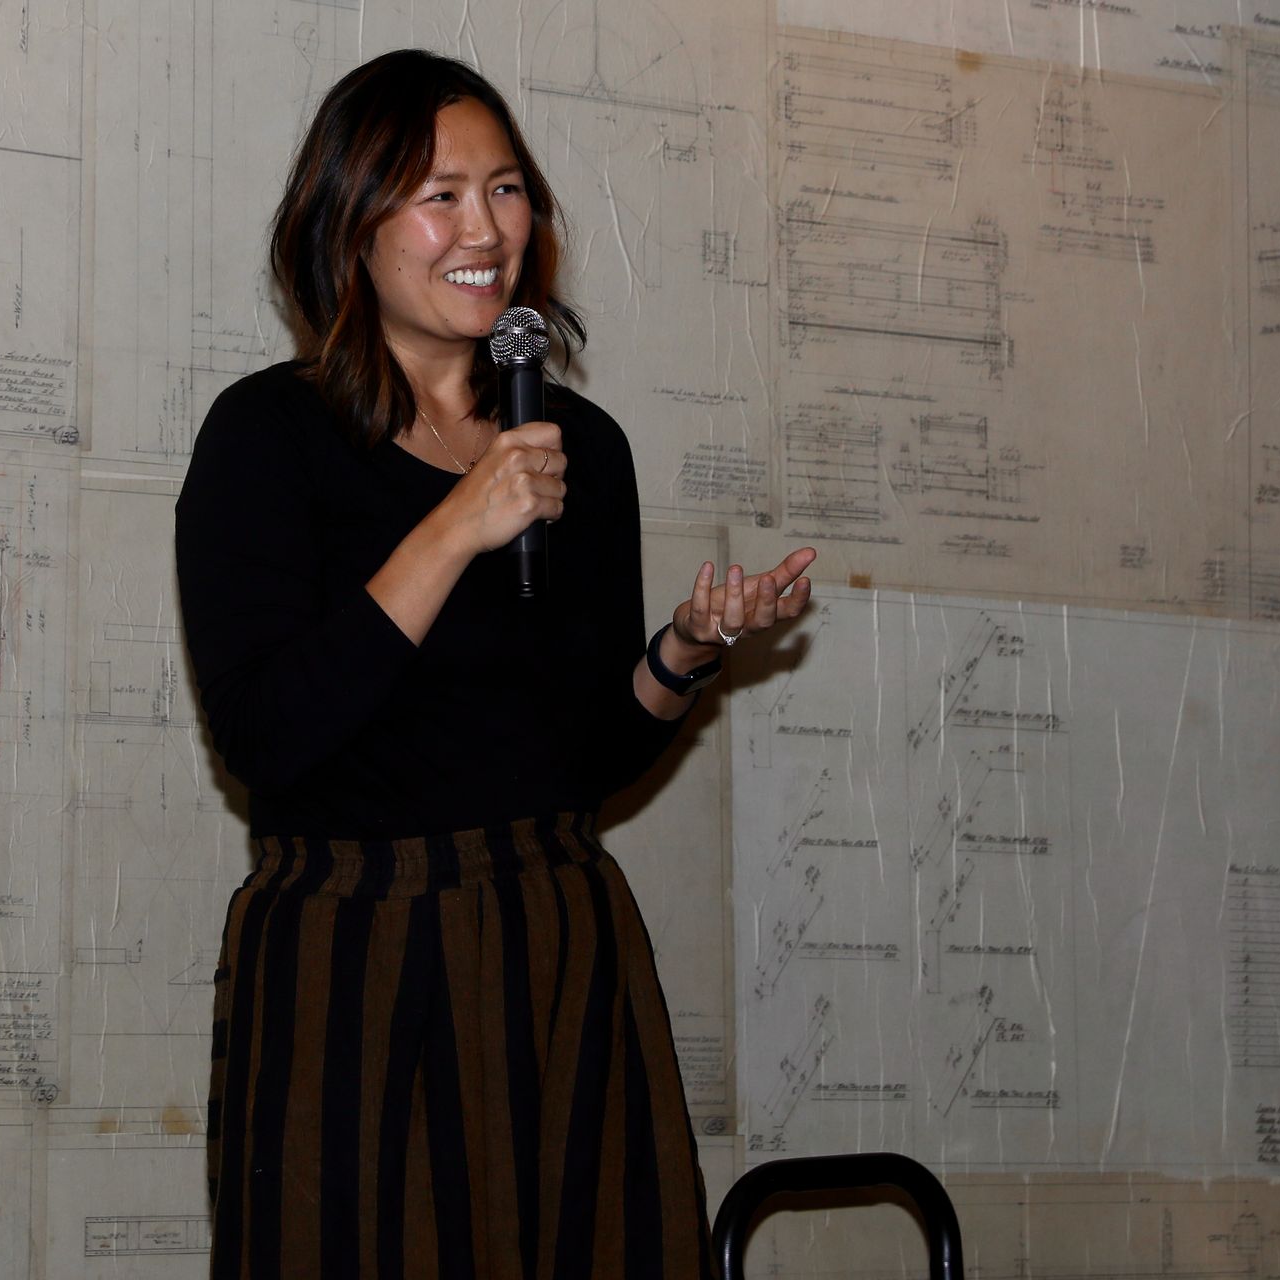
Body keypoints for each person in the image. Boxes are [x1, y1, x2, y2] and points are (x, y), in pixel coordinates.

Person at [174, 48, 815, 1280]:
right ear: (350, 224)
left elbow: (587, 755)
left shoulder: (580, 445)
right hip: (354, 955)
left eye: (507, 189)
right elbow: (263, 734)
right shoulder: (268, 435)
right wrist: (456, 524)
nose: (486, 229)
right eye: (441, 195)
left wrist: (683, 653)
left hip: (556, 941)